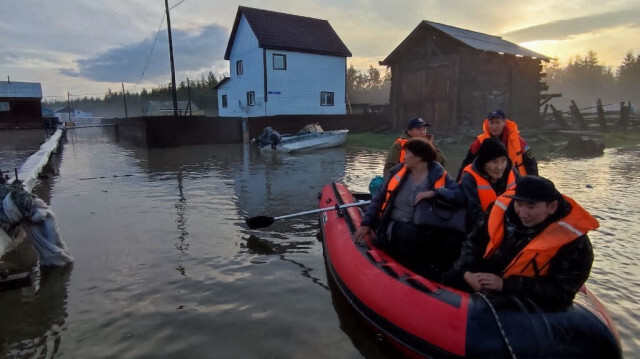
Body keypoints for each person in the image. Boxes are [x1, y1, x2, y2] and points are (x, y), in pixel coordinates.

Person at [444, 176, 598, 310]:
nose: (523, 214)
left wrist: (505, 285)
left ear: (552, 207)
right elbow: (473, 242)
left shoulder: (575, 242)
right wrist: (467, 272)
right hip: (480, 278)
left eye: (531, 207)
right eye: (519, 205)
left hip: (523, 300)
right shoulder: (500, 212)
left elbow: (561, 290)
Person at [355, 138, 465, 279]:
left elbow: (459, 194)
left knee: (451, 239)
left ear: (419, 157)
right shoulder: (398, 172)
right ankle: (415, 274)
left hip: (425, 224)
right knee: (411, 235)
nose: (404, 157)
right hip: (395, 224)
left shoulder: (438, 173)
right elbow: (379, 199)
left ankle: (443, 277)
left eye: (407, 153)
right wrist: (366, 224)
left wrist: (435, 192)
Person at [456, 109, 537, 181]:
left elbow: (531, 163)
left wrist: (535, 183)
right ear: (487, 123)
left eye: (497, 123)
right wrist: (458, 184)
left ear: (504, 123)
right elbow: (466, 164)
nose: (494, 126)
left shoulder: (519, 141)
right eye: (491, 123)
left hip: (518, 182)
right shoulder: (479, 142)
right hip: (491, 181)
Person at [459, 137, 520, 229]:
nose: (500, 167)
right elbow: (475, 215)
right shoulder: (469, 178)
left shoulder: (512, 171)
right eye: (494, 161)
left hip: (510, 224)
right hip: (479, 228)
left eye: (503, 160)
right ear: (483, 163)